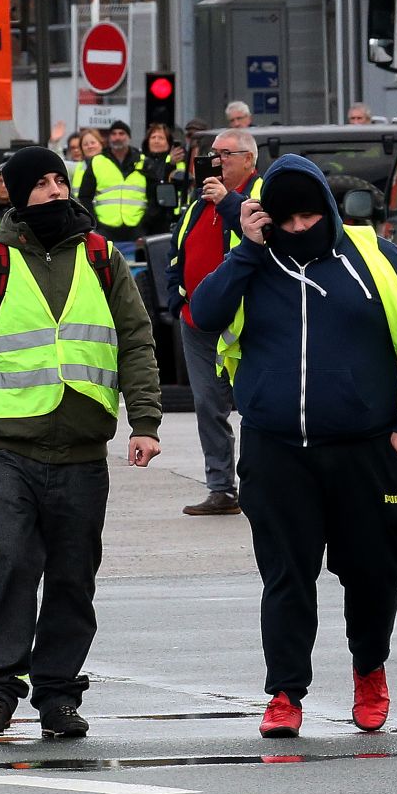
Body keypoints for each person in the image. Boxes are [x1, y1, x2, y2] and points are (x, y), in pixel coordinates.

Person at [189, 154, 397, 739]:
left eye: (309, 216)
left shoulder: (375, 257)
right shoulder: (253, 262)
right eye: (287, 219)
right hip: (276, 449)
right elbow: (202, 313)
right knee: (286, 576)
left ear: (327, 207)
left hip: (366, 449)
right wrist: (247, 250)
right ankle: (284, 693)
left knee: (372, 572)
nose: (299, 228)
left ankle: (369, 669)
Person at [0, 146, 163, 738]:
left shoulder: (102, 257)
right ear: (16, 195)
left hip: (84, 450)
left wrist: (145, 422)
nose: (56, 190)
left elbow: (136, 342)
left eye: (61, 179)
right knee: (11, 562)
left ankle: (58, 694)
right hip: (12, 448)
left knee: (72, 576)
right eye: (42, 183)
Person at [168, 128, 261, 517]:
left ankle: (260, 486)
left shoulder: (259, 196)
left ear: (249, 160)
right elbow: (178, 250)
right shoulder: (198, 203)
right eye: (212, 154)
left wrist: (227, 201)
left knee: (256, 405)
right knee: (208, 405)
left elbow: (264, 239)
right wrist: (176, 297)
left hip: (246, 323)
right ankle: (221, 488)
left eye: (225, 154)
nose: (215, 161)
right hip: (197, 322)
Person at [76, 121, 149, 251]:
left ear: (129, 137)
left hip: (137, 229)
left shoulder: (143, 161)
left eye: (121, 133)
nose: (117, 137)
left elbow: (152, 195)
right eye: (114, 134)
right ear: (109, 138)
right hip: (105, 229)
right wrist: (95, 224)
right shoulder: (97, 161)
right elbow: (85, 196)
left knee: (139, 263)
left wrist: (145, 224)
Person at [140, 123, 188, 237]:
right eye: (153, 137)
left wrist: (171, 165)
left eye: (161, 138)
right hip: (146, 219)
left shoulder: (179, 162)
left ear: (168, 143)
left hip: (172, 217)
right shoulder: (141, 162)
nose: (156, 141)